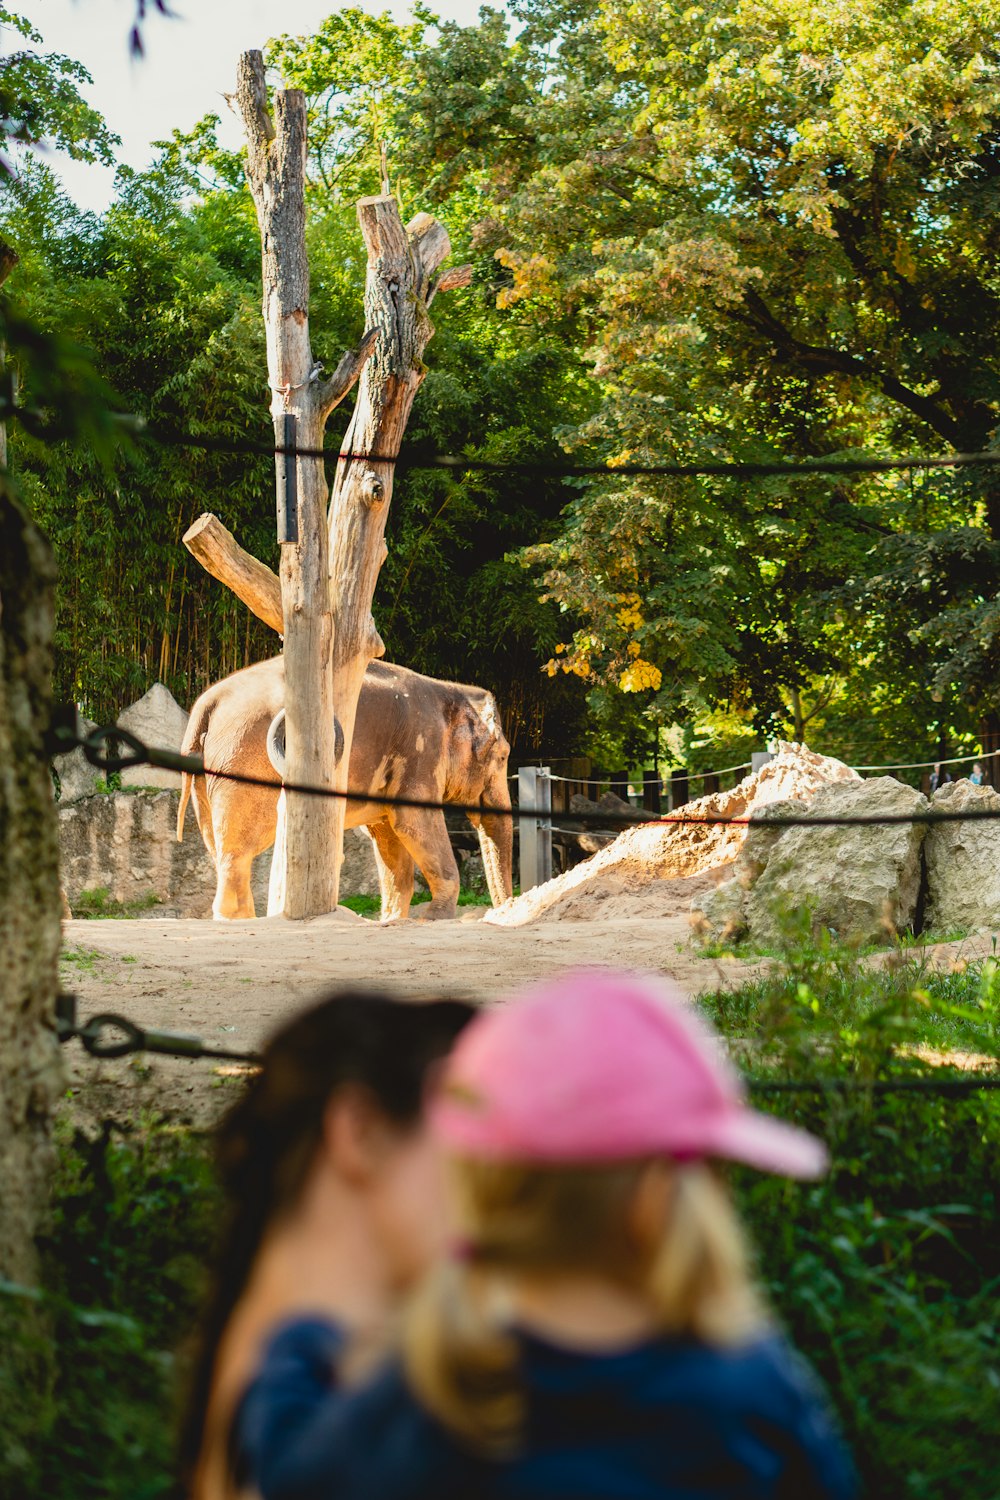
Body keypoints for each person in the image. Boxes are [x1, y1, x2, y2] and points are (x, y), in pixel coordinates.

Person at [234, 970, 858, 1499]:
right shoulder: (751, 1388)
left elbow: (296, 1475)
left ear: (481, 1188)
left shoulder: (436, 1391)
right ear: (653, 1198)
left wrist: (299, 1347)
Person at [180, 990, 475, 1500]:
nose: (512, 1186)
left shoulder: (271, 1386)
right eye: (474, 1130)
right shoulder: (338, 1422)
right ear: (360, 1130)